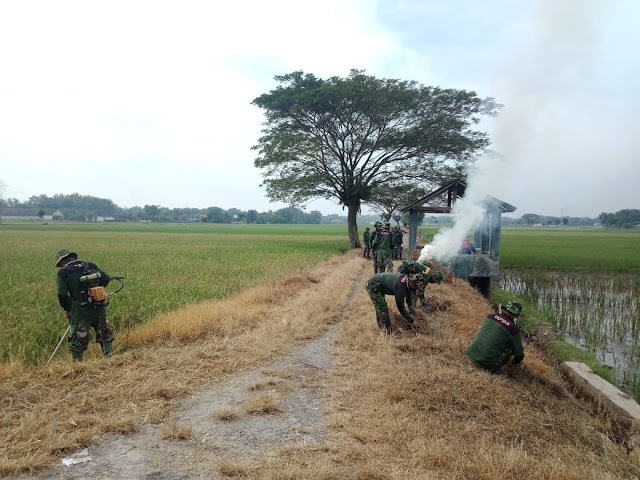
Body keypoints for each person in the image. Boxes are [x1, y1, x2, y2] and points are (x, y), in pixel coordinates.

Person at [55, 249, 115, 361]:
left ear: (62, 261)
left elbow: (62, 295)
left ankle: (78, 365)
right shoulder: (89, 265)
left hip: (79, 311)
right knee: (104, 332)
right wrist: (96, 291)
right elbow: (106, 278)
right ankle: (109, 358)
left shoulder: (63, 273)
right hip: (98, 307)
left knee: (77, 337)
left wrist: (67, 309)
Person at [467, 300, 524, 376]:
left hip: (471, 352)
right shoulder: (513, 329)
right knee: (511, 346)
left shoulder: (491, 316)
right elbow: (519, 355)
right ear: (516, 315)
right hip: (487, 361)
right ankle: (494, 368)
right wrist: (514, 363)